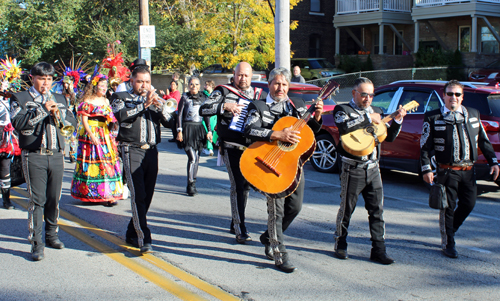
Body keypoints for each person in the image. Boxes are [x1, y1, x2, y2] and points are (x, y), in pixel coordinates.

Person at [243, 67, 323, 273]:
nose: (280, 88)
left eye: (284, 84)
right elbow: (249, 129)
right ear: (269, 84)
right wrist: (277, 134)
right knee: (276, 213)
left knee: (295, 208)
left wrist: (318, 116)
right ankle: (279, 254)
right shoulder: (258, 105)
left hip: (293, 165)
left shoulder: (297, 106)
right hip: (269, 164)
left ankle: (268, 237)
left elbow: (309, 133)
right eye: (277, 83)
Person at [420, 80, 499, 258]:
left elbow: (484, 142)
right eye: (449, 94)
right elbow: (424, 147)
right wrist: (426, 169)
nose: (453, 97)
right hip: (447, 171)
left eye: (457, 94)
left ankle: (450, 230)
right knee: (447, 207)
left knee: (469, 203)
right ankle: (449, 242)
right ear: (444, 96)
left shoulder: (473, 114)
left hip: (469, 171)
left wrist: (494, 162)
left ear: (462, 97)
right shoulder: (433, 117)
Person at [332, 77, 406, 265]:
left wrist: (397, 121)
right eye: (364, 94)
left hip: (373, 168)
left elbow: (387, 138)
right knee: (347, 209)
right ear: (354, 93)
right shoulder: (343, 110)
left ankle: (379, 250)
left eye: (371, 95)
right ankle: (340, 243)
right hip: (352, 168)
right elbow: (344, 128)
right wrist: (366, 118)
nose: (368, 99)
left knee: (377, 211)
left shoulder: (376, 112)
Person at [11, 62, 78, 261]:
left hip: (56, 154)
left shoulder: (59, 98)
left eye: (49, 79)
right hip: (34, 155)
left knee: (53, 199)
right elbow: (19, 123)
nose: (45, 83)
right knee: (37, 201)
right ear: (32, 78)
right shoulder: (20, 98)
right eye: (41, 78)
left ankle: (51, 235)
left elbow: (72, 123)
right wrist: (42, 110)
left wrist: (61, 113)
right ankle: (37, 243)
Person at [199, 62, 266, 243]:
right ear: (234, 75)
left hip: (252, 149)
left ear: (252, 76)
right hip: (230, 146)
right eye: (239, 75)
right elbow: (203, 108)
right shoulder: (222, 91)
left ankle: (235, 220)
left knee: (245, 187)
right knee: (238, 185)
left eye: (246, 75)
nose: (242, 79)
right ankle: (240, 227)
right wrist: (224, 107)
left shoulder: (259, 95)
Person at [110, 66, 172, 253]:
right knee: (138, 194)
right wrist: (143, 105)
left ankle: (131, 230)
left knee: (148, 194)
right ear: (132, 81)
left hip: (151, 151)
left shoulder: (155, 99)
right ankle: (143, 235)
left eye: (147, 81)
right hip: (131, 149)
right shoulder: (120, 98)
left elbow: (170, 122)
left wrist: (161, 107)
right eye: (140, 81)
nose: (144, 85)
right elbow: (120, 117)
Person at [70, 73, 123, 206]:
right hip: (91, 133)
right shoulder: (87, 101)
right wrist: (92, 135)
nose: (104, 88)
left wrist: (112, 125)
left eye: (106, 86)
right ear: (95, 86)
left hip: (104, 133)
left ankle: (108, 194)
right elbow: (84, 121)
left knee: (108, 163)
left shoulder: (106, 101)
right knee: (92, 163)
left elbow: (110, 118)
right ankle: (88, 193)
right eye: (101, 86)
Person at [176, 77, 211, 196]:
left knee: (197, 157)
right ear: (188, 85)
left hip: (199, 129)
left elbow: (206, 116)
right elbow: (179, 115)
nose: (194, 86)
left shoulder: (203, 98)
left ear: (199, 86)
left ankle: (192, 182)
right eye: (191, 84)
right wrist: (179, 130)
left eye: (196, 84)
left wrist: (209, 131)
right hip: (187, 129)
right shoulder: (185, 97)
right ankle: (190, 184)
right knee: (192, 158)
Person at [202, 80, 217, 156]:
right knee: (208, 130)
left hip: (214, 115)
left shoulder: (215, 94)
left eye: (206, 85)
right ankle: (209, 148)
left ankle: (210, 146)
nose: (205, 86)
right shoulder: (203, 94)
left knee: (214, 131)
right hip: (206, 115)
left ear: (211, 86)